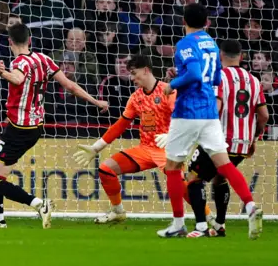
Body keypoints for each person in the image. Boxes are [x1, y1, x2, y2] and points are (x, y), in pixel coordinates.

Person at [0, 23, 108, 229]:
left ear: (10, 42)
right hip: (34, 127)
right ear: (30, 40)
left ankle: (39, 204)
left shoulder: (19, 63)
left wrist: (2, 72)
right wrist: (96, 101)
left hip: (19, 129)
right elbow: (70, 86)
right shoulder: (45, 59)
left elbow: (18, 78)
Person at [156, 3, 262, 239]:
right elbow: (214, 77)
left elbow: (194, 73)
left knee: (173, 167)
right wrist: (183, 75)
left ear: (184, 21)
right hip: (210, 114)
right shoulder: (212, 44)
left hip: (188, 112)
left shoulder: (185, 44)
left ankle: (178, 223)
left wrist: (172, 85)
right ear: (207, 22)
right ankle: (251, 205)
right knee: (224, 165)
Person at [74, 54, 213, 224]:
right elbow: (120, 125)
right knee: (105, 169)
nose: (132, 78)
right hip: (145, 149)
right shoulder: (136, 98)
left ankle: (209, 217)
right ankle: (117, 211)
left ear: (146, 70)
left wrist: (172, 136)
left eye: (134, 73)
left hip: (168, 149)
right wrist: (96, 147)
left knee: (181, 184)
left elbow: (184, 117)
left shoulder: (167, 91)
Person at [178, 40, 268, 238]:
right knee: (219, 179)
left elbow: (216, 108)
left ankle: (200, 226)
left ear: (220, 56)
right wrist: (254, 138)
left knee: (193, 178)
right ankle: (219, 225)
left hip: (219, 141)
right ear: (242, 57)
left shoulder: (218, 77)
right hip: (242, 143)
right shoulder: (254, 80)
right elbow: (264, 116)